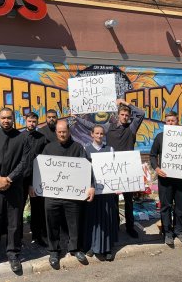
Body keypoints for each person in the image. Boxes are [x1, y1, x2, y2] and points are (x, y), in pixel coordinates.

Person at [38, 120, 95, 269]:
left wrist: (91, 186)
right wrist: (35, 185)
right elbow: (40, 169)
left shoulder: (77, 147)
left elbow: (87, 167)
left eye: (64, 131)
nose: (62, 134)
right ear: (56, 132)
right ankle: (54, 251)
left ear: (69, 131)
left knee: (74, 223)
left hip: (73, 195)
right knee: (52, 224)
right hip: (52, 195)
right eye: (59, 132)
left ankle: (75, 249)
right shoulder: (48, 148)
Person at [0, 108, 29, 273]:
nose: (6, 120)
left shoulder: (22, 138)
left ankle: (13, 254)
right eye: (3, 118)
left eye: (9, 118)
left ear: (13, 119)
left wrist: (8, 179)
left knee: (14, 223)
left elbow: (24, 161)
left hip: (14, 188)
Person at [150, 111, 182, 245]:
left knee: (180, 206)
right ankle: (168, 232)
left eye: (173, 121)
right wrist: (156, 168)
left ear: (177, 121)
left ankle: (179, 231)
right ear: (165, 123)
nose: (170, 123)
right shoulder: (160, 137)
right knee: (166, 206)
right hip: (165, 178)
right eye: (168, 121)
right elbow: (152, 155)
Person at [106, 99, 145, 239]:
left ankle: (130, 227)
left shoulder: (132, 127)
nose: (125, 117)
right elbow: (92, 126)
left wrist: (125, 102)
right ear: (118, 115)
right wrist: (77, 119)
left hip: (128, 169)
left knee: (129, 201)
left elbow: (141, 113)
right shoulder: (109, 127)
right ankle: (115, 225)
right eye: (122, 114)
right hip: (113, 168)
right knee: (113, 200)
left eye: (127, 115)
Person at [83, 125, 119, 261]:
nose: (99, 136)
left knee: (106, 219)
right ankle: (92, 246)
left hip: (107, 191)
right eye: (96, 133)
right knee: (93, 219)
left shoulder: (109, 149)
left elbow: (116, 169)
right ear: (91, 134)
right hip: (92, 190)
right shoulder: (86, 149)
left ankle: (108, 248)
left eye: (101, 134)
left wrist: (118, 184)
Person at [21, 112, 47, 246]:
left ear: (37, 122)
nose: (31, 123)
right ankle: (18, 238)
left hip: (37, 178)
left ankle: (38, 236)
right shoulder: (19, 136)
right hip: (21, 178)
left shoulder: (42, 138)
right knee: (18, 208)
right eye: (29, 121)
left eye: (34, 121)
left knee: (37, 209)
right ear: (25, 121)